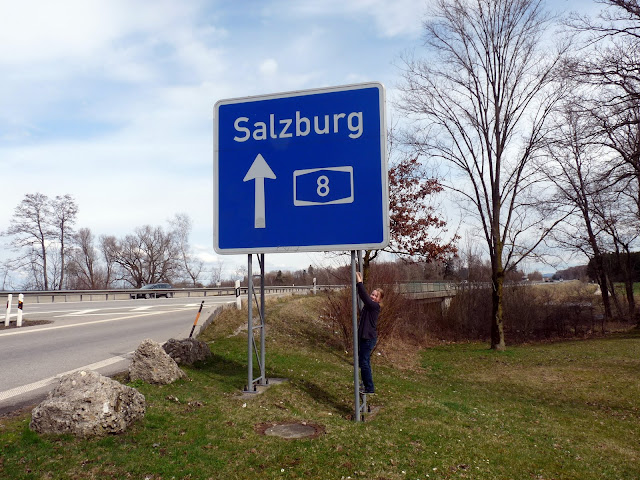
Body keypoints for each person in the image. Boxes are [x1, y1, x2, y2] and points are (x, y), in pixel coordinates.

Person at [355, 271, 383, 394]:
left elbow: (364, 297)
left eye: (375, 296)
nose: (372, 296)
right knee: (364, 362)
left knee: (364, 362)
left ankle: (369, 388)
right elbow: (364, 298)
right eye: (372, 294)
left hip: (368, 338)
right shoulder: (369, 306)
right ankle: (366, 384)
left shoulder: (375, 307)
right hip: (364, 337)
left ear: (379, 300)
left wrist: (359, 282)